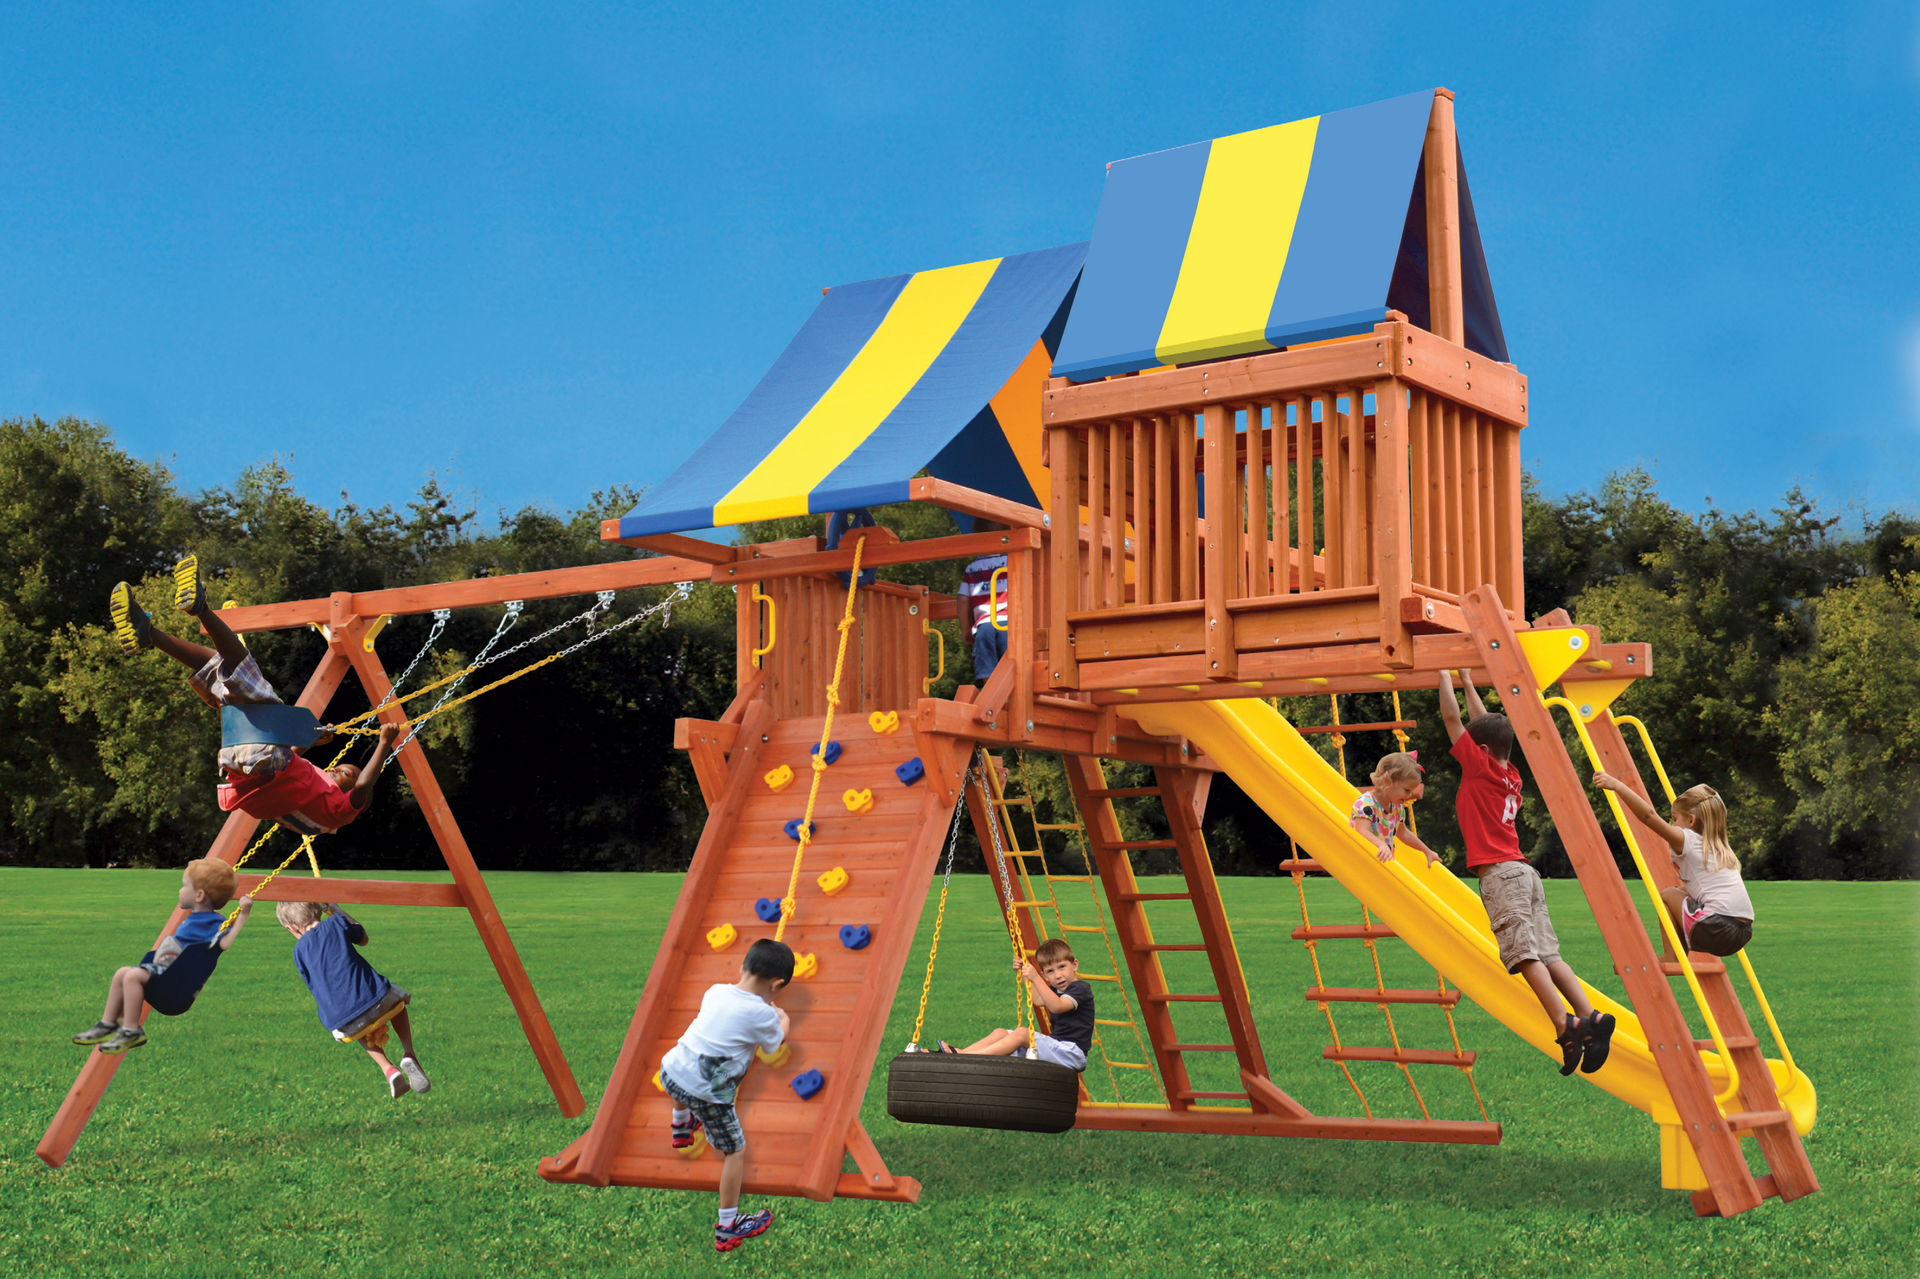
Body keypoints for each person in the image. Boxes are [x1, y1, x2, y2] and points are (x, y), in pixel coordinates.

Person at [109, 555, 400, 836]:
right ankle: (149, 634)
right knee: (218, 670)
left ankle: (201, 607)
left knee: (244, 668)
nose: (335, 768)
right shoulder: (314, 795)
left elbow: (363, 785)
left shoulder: (340, 810)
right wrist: (308, 740)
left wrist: (384, 743)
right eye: (340, 767)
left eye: (345, 774)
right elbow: (287, 766)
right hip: (240, 760)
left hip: (264, 762)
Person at [1439, 669, 1615, 1077]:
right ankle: (1589, 1017)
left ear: (1480, 750)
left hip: (1501, 875)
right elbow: (1481, 724)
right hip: (1523, 873)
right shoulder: (1509, 774)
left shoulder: (1479, 769)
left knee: (1523, 955)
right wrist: (1467, 680)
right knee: (1549, 954)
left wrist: (1444, 673)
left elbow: (1453, 719)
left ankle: (1564, 1023)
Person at [659, 938, 793, 1253]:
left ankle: (681, 1125)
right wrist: (783, 1020)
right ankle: (728, 1225)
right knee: (735, 1150)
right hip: (708, 1095)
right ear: (777, 984)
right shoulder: (763, 1015)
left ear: (744, 966)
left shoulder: (715, 991)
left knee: (690, 1066)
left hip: (671, 1072)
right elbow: (773, 1045)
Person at [72, 858, 254, 1053]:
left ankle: (132, 1031)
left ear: (200, 895)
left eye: (185, 886)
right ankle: (107, 1024)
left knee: (133, 976)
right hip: (166, 969)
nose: (180, 891)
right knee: (121, 973)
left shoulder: (214, 922)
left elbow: (224, 944)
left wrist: (243, 915)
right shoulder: (194, 917)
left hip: (176, 982)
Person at [277, 901, 431, 1099]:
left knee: (352, 1020)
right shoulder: (335, 922)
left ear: (291, 928)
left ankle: (388, 1069)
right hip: (378, 999)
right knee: (398, 1002)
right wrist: (338, 911)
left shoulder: (298, 952)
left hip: (344, 1022)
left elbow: (313, 984)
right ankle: (408, 1052)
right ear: (318, 910)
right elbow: (363, 938)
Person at [1592, 775, 1754, 959]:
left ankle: (1672, 955)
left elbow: (1649, 816)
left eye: (1675, 819)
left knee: (1667, 894)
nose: (1673, 825)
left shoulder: (1688, 839)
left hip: (1716, 926)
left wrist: (1618, 786)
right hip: (1742, 933)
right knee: (1680, 891)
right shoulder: (1718, 848)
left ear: (1691, 821)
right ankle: (1678, 954)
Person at [940, 938, 1094, 1072]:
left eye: (1062, 967)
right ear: (1045, 976)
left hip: (1072, 1053)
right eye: (1050, 971)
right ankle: (958, 1053)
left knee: (1022, 1033)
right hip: (1057, 1049)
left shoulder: (1080, 989)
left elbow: (1057, 1006)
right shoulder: (1055, 990)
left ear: (1074, 965)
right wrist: (1024, 973)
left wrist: (1036, 978)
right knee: (1001, 1033)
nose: (1058, 975)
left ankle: (965, 1057)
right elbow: (1038, 999)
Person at [1350, 751, 1442, 867]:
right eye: (1407, 790)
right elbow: (1361, 831)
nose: (1409, 795)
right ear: (1387, 781)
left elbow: (1404, 834)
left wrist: (1426, 851)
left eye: (1411, 791)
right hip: (1361, 861)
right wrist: (1381, 845)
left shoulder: (1397, 808)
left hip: (1381, 863)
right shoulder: (1366, 803)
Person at [957, 521, 1009, 684]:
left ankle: (989, 693)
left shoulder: (972, 568)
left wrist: (966, 628)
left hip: (983, 626)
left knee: (987, 669)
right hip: (1009, 624)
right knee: (1012, 667)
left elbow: (963, 600)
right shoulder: (1012, 562)